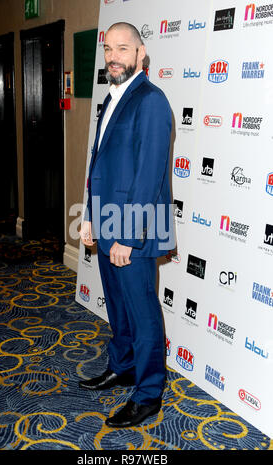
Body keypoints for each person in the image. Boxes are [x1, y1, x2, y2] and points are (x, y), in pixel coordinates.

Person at [79, 22, 175, 428]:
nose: (113, 56)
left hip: (130, 230)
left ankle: (149, 392)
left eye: (123, 48)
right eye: (108, 49)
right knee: (117, 305)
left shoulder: (151, 101)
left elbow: (149, 174)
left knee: (142, 311)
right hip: (105, 223)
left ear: (141, 53)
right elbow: (101, 163)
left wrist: (128, 237)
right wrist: (87, 216)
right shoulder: (111, 96)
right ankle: (123, 366)